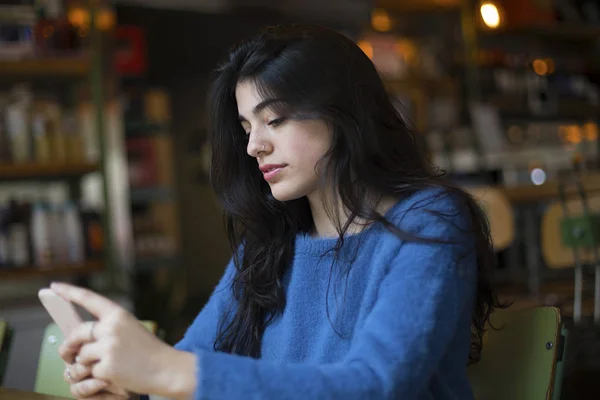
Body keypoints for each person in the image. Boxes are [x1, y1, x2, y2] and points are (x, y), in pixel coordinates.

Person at [52, 24, 503, 400]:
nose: (254, 146)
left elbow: (378, 385)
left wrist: (167, 371)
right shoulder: (270, 245)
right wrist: (131, 387)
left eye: (276, 119)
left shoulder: (429, 221)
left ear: (343, 111)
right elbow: (192, 359)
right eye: (247, 126)